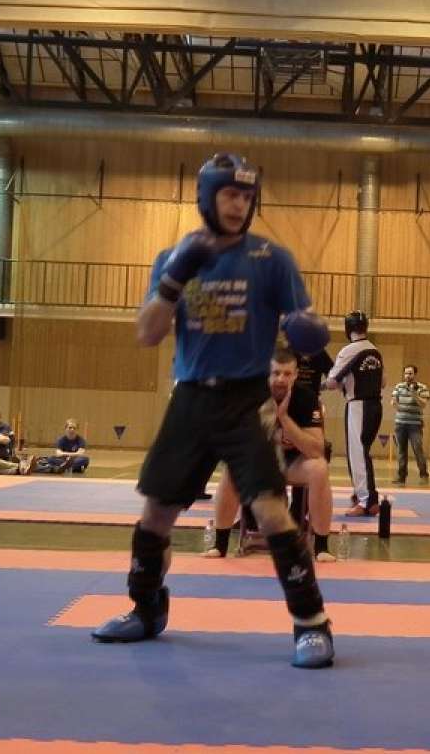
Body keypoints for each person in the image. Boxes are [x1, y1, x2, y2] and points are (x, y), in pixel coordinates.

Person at [90, 153, 334, 669]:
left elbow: (305, 322)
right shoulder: (174, 256)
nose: (238, 204)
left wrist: (308, 329)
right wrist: (175, 277)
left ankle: (312, 623)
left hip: (245, 400)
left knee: (270, 509)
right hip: (191, 397)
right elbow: (147, 334)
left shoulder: (272, 259)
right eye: (229, 194)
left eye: (246, 196)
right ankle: (146, 609)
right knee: (157, 512)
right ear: (207, 197)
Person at [206, 350, 336, 562]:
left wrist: (284, 418)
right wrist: (273, 437)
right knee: (232, 467)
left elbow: (316, 450)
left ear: (295, 375)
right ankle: (220, 544)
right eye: (276, 373)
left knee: (319, 468)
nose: (281, 379)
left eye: (287, 374)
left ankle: (321, 546)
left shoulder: (306, 398)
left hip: (294, 464)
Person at [325, 311, 384, 516]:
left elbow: (331, 382)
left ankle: (367, 500)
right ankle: (366, 495)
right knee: (363, 451)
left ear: (348, 328)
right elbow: (383, 382)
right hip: (376, 406)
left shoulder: (349, 351)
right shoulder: (375, 351)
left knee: (357, 453)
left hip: (358, 406)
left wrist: (331, 384)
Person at [390, 364, 430, 485]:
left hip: (415, 425)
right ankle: (401, 476)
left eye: (410, 373)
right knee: (401, 451)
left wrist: (414, 395)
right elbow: (393, 402)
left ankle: (423, 475)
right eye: (406, 373)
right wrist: (397, 405)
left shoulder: (422, 387)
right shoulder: (399, 386)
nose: (408, 376)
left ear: (415, 374)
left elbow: (423, 404)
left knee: (418, 449)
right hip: (400, 423)